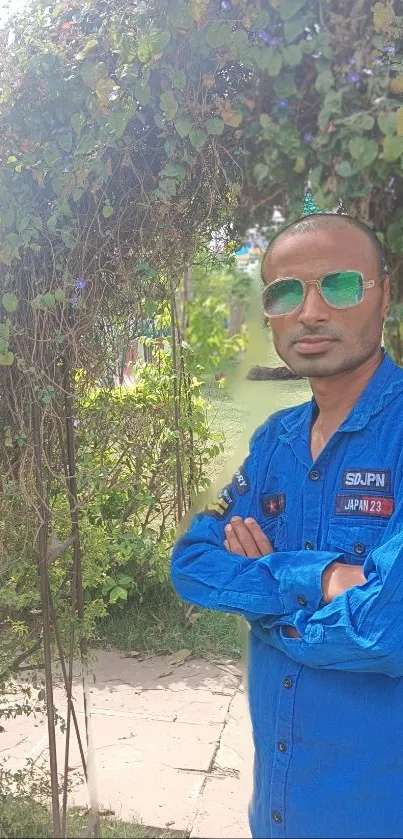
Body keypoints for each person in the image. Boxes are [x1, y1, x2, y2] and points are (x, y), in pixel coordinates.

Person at [170, 193, 403, 839]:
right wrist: (320, 577)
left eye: (339, 284)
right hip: (280, 809)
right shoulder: (275, 440)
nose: (309, 310)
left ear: (385, 295)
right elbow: (191, 561)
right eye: (284, 292)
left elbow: (386, 630)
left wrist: (258, 595)